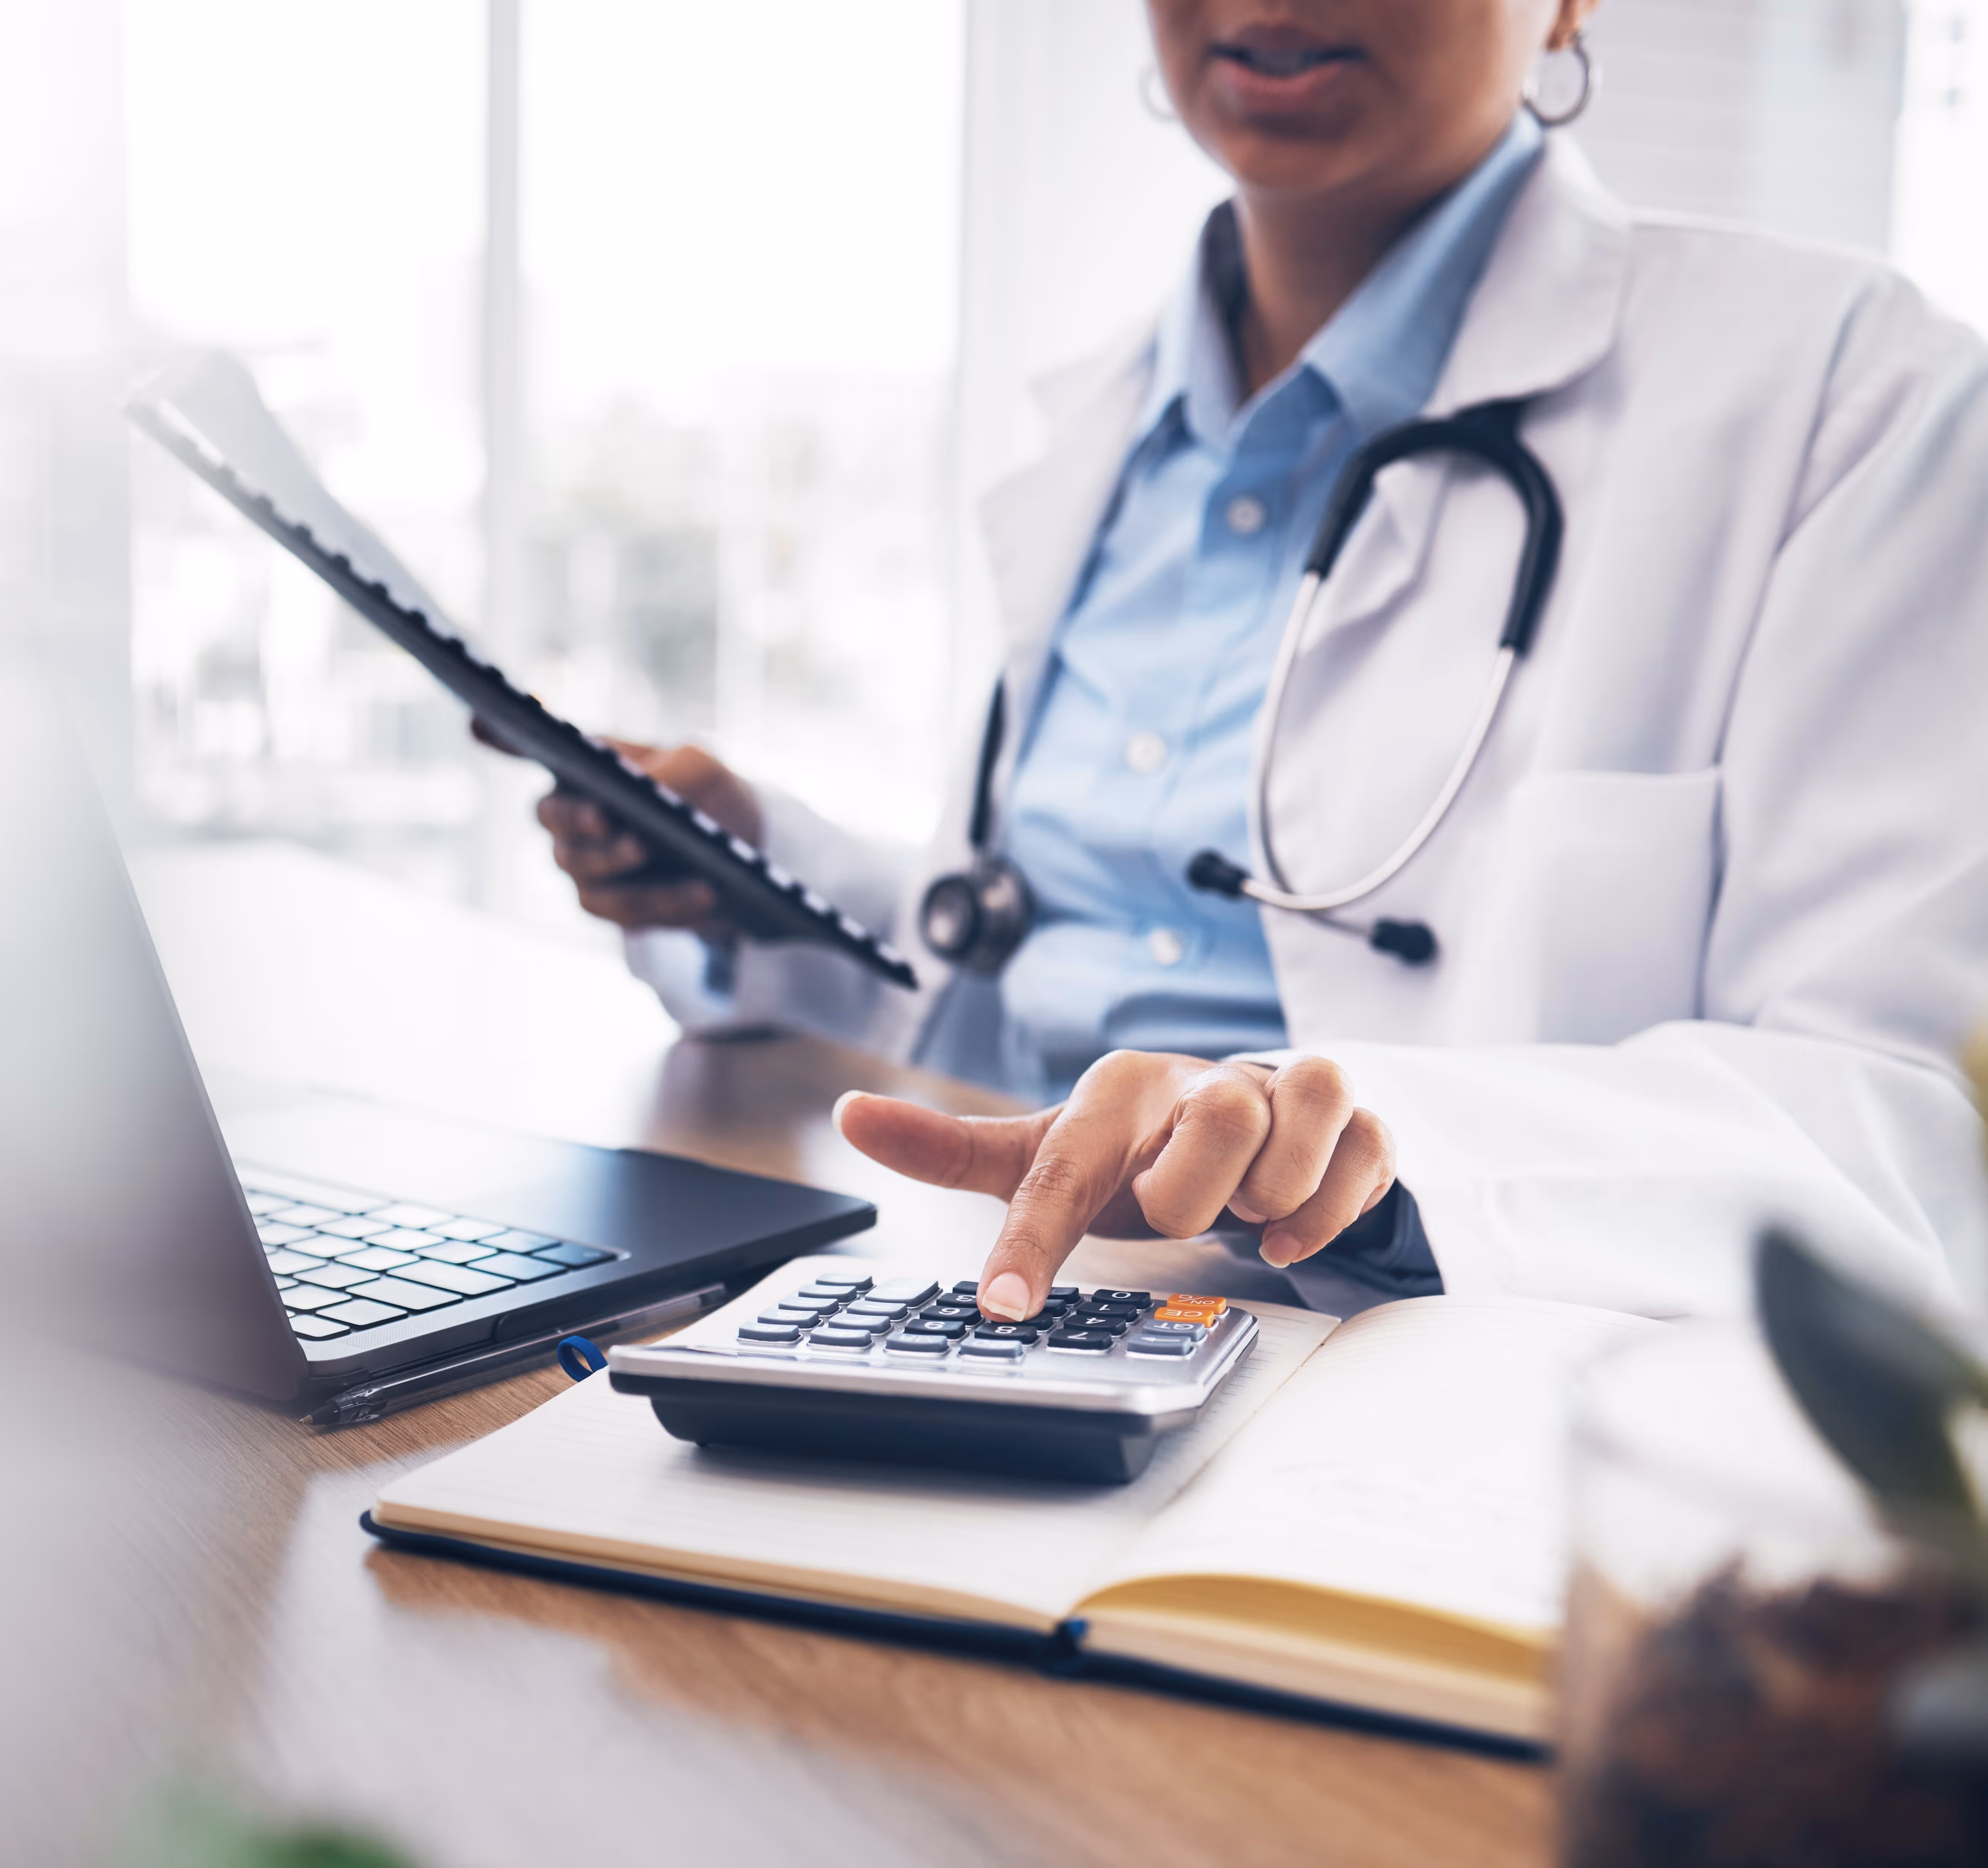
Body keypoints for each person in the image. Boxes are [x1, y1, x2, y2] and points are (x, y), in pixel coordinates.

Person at [529, 0, 1988, 1325]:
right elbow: (1049, 973)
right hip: (985, 1290)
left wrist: (1350, 1141)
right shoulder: (1114, 425)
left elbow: (1900, 1117)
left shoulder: (1854, 398)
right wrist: (767, 871)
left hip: (1403, 1380)